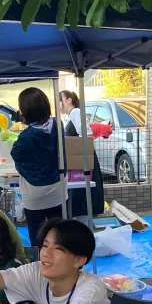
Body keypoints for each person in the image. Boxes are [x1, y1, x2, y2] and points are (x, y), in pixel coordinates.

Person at [10, 88, 66, 245]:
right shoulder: (58, 124)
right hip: (58, 186)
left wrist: (24, 122)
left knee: (37, 235)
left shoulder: (25, 137)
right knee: (59, 232)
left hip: (35, 192)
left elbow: (16, 154)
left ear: (25, 111)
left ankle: (40, 259)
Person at [58, 90, 105, 221]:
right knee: (78, 195)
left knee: (81, 194)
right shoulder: (70, 116)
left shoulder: (76, 113)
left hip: (81, 160)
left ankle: (83, 224)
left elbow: (86, 134)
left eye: (60, 100)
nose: (58, 104)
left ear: (69, 100)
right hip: (78, 160)